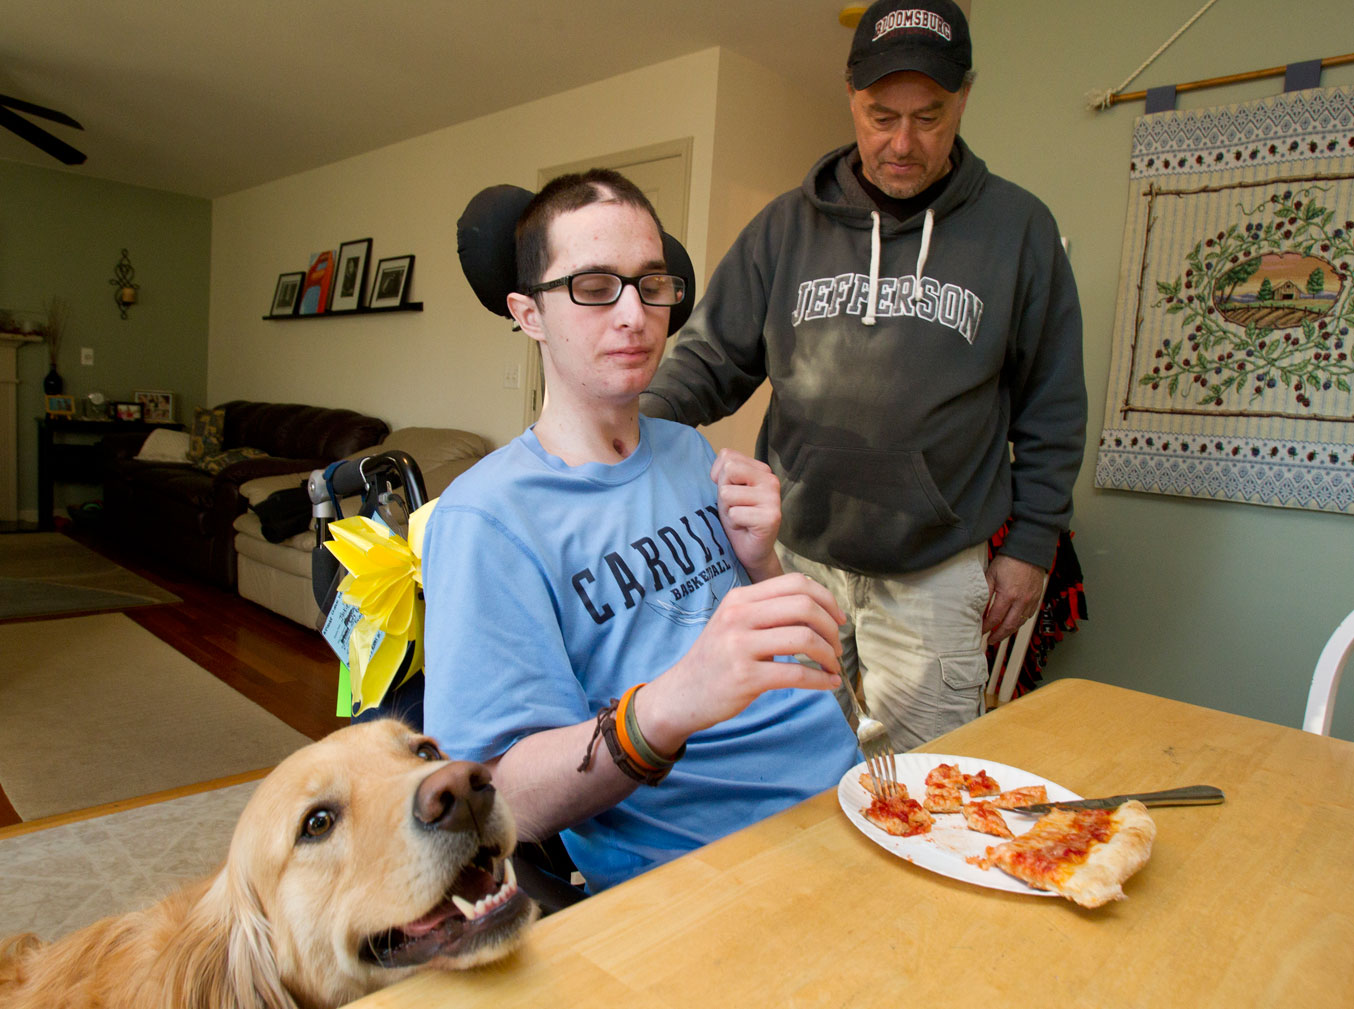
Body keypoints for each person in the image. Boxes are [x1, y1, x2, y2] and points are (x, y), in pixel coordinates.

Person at [640, 0, 1086, 750]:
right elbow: (710, 360)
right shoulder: (784, 227)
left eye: (929, 117)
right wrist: (620, 431)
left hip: (934, 576)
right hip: (795, 563)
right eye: (882, 117)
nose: (903, 143)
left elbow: (1054, 403)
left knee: (919, 788)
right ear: (851, 97)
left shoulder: (1020, 230)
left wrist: (1031, 546)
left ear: (964, 98)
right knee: (791, 767)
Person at [421, 169, 860, 893]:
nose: (635, 314)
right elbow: (497, 800)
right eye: (594, 287)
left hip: (854, 799)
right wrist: (669, 703)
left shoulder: (689, 451)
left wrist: (763, 562)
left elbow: (787, 663)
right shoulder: (487, 518)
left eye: (651, 284)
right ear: (530, 314)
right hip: (718, 872)